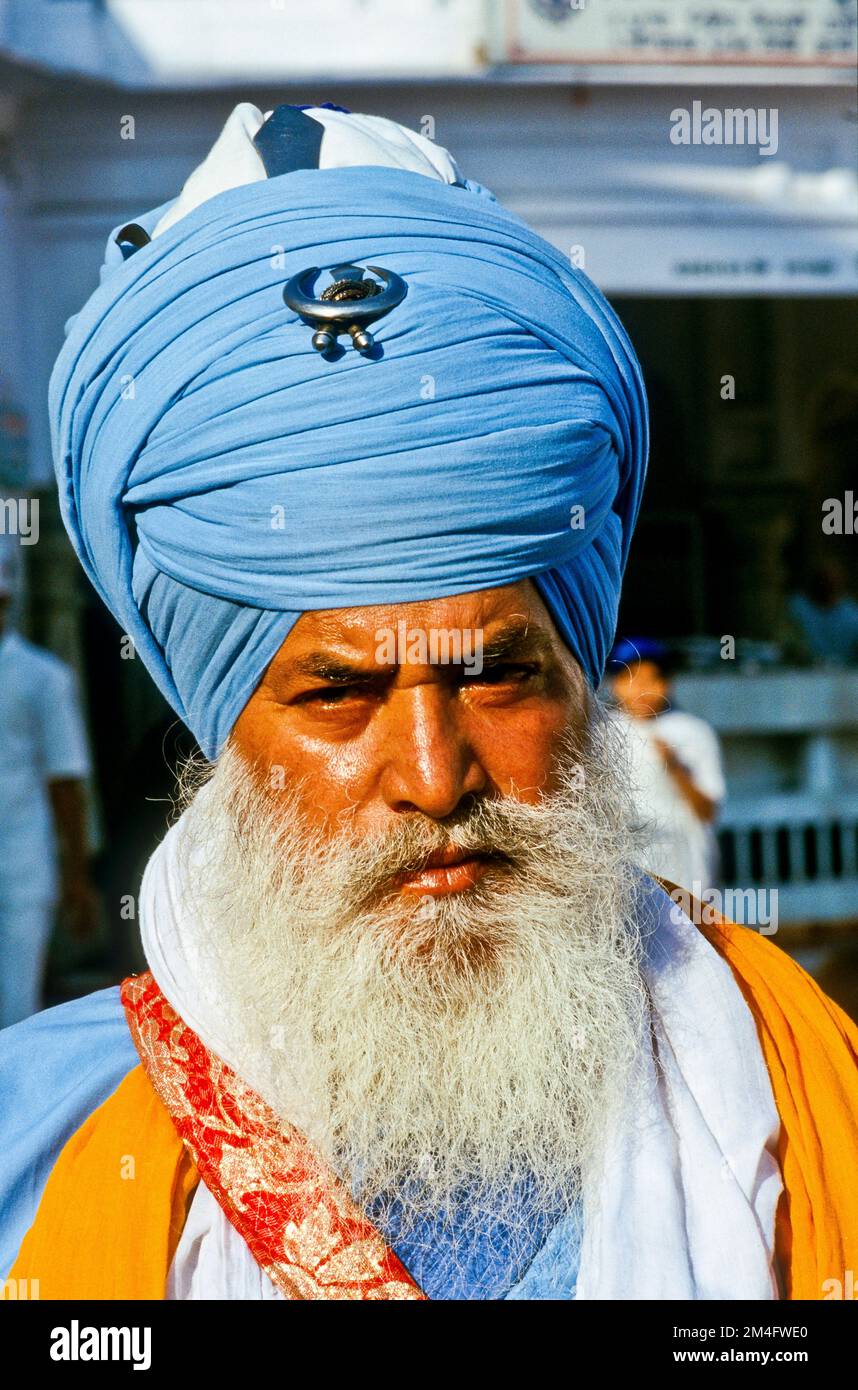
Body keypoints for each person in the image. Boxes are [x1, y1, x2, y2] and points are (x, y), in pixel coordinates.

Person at [1, 104, 857, 1302]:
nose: (436, 772)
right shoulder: (35, 1150)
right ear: (219, 722)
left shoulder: (805, 1093)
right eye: (338, 692)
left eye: (499, 673)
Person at [0, 551, 96, 1029]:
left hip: (21, 866)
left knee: (15, 1008)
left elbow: (66, 780)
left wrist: (77, 878)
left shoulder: (43, 679)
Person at [608, 637, 725, 895]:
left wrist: (673, 765)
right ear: (616, 685)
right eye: (630, 679)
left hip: (686, 867)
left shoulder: (693, 732)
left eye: (650, 680)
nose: (640, 689)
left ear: (665, 684)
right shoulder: (602, 732)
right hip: (629, 868)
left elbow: (708, 811)